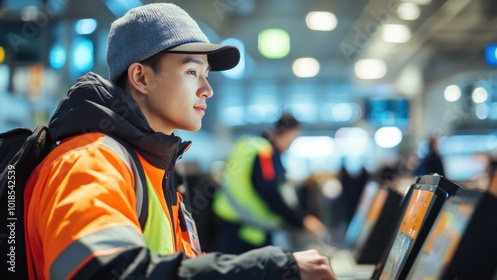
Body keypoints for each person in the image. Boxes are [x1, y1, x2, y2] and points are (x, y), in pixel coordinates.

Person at [23, 3, 337, 280]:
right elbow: (106, 271)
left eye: (207, 75)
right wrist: (269, 267)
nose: (207, 90)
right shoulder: (89, 163)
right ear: (141, 78)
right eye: (191, 72)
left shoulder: (153, 165)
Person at [212, 112, 328, 254]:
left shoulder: (254, 147)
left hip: (236, 228)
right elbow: (270, 192)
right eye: (294, 138)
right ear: (288, 132)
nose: (292, 144)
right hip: (249, 235)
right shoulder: (265, 153)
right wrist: (302, 219)